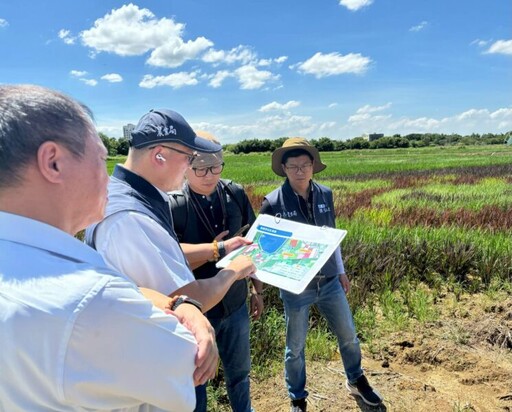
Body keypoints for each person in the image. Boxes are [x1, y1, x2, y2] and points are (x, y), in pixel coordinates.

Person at [0, 84, 218, 411]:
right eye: (101, 158)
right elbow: (187, 363)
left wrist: (178, 302)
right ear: (53, 162)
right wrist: (193, 307)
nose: (110, 177)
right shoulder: (95, 301)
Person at [85, 110, 255, 327]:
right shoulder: (130, 219)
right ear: (159, 155)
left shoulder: (121, 194)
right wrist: (233, 271)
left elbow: (161, 254)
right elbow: (183, 300)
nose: (188, 169)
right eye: (189, 158)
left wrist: (220, 248)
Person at [259, 138, 383, 411]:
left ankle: (356, 379)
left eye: (305, 165)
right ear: (284, 168)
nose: (300, 171)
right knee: (295, 347)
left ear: (313, 166)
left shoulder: (325, 194)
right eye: (294, 166)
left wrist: (340, 271)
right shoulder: (272, 202)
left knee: (348, 334)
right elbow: (264, 248)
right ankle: (297, 398)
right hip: (296, 287)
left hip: (328, 281)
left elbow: (331, 238)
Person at [169, 131, 264, 412]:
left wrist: (257, 289)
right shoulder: (174, 204)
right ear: (186, 166)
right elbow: (170, 260)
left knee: (240, 374)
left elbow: (253, 241)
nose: (209, 175)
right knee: (195, 381)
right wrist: (217, 248)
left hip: (235, 303)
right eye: (200, 169)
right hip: (196, 309)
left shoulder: (234, 193)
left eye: (216, 167)